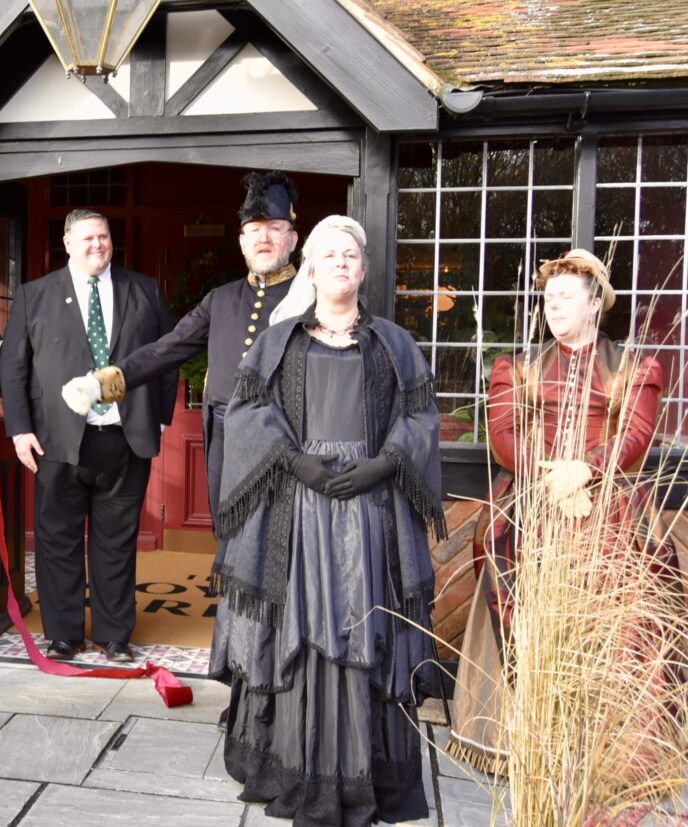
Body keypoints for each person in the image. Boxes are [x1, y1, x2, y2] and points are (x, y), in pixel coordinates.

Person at [207, 215, 446, 825]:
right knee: (303, 631)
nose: (341, 263)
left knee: (363, 630)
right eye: (329, 255)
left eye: (351, 255)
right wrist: (294, 461)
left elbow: (420, 418)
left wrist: (384, 463)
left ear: (363, 271)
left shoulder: (394, 345)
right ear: (310, 269)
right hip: (298, 513)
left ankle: (366, 775)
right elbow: (246, 411)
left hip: (369, 514)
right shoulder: (278, 341)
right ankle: (295, 768)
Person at [446, 249, 677, 775]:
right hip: (532, 503)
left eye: (565, 297)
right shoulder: (520, 367)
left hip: (606, 511)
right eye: (548, 298)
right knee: (513, 593)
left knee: (620, 622)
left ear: (595, 303)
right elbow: (503, 435)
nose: (553, 306)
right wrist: (550, 474)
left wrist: (588, 470)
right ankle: (521, 741)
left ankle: (604, 754)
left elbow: (635, 436)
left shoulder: (635, 367)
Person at [62, 171, 301, 521]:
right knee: (230, 529)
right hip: (226, 435)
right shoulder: (220, 299)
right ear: (242, 241)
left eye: (275, 228)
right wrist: (101, 384)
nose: (263, 238)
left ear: (293, 240)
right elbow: (167, 348)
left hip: (288, 436)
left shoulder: (312, 298)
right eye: (254, 230)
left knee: (285, 535)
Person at [0, 208, 178, 663]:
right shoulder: (34, 295)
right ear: (66, 243)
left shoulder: (143, 290)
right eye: (87, 238)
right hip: (57, 442)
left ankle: (115, 635)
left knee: (116, 542)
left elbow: (166, 356)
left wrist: (157, 418)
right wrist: (20, 430)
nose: (97, 244)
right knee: (57, 541)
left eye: (103, 236)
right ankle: (64, 635)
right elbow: (13, 366)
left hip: (124, 438)